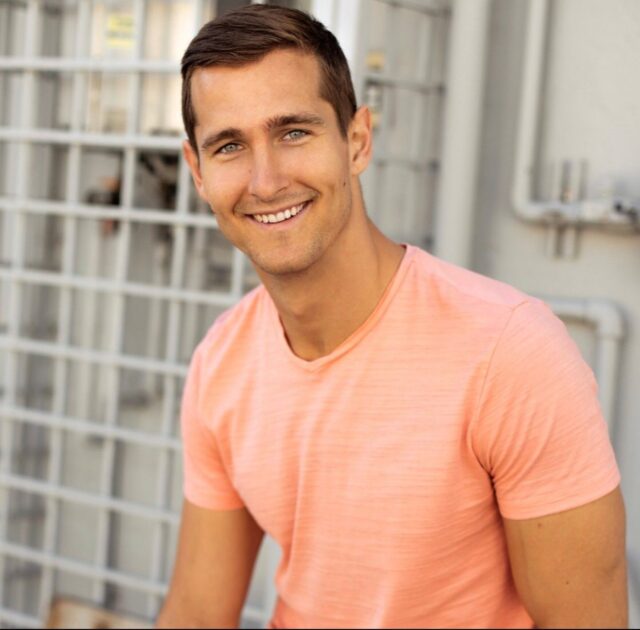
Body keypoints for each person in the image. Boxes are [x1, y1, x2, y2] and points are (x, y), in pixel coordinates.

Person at [157, 5, 627, 628]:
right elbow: (196, 612)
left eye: (293, 132)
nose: (265, 181)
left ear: (357, 141)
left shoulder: (509, 353)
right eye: (230, 146)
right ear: (197, 171)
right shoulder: (222, 362)